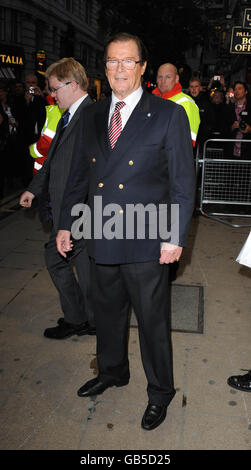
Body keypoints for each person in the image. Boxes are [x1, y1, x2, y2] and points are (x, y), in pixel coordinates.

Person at [56, 33, 195, 431]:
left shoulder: (168, 115)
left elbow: (184, 184)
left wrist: (175, 236)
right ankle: (113, 371)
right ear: (105, 67)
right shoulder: (95, 114)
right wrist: (67, 221)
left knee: (152, 321)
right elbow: (80, 174)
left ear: (142, 67)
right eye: (112, 61)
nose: (119, 69)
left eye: (128, 61)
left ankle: (160, 392)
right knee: (107, 313)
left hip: (147, 237)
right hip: (101, 232)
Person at [19, 58, 95, 340]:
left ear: (73, 84)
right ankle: (86, 318)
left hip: (79, 211)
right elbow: (52, 161)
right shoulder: (68, 114)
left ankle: (84, 319)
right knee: (83, 267)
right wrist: (33, 189)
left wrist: (73, 216)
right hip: (67, 208)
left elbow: (86, 171)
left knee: (64, 260)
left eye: (55, 88)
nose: (51, 94)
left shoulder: (90, 115)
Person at [152, 62, 200, 148]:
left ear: (176, 79)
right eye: (160, 77)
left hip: (171, 158)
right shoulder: (151, 100)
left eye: (168, 77)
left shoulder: (186, 102)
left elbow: (187, 141)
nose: (163, 81)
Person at [188, 77, 215, 151]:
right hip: (187, 140)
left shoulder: (207, 102)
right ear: (189, 88)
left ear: (200, 88)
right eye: (192, 87)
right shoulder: (185, 102)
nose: (194, 89)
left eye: (196, 86)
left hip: (202, 141)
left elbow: (211, 120)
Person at [228, 81, 251, 159]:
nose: (236, 91)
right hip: (231, 152)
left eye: (240, 88)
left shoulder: (249, 107)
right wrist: (232, 127)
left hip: (247, 152)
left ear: (246, 91)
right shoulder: (229, 108)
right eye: (235, 89)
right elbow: (222, 128)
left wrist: (250, 129)